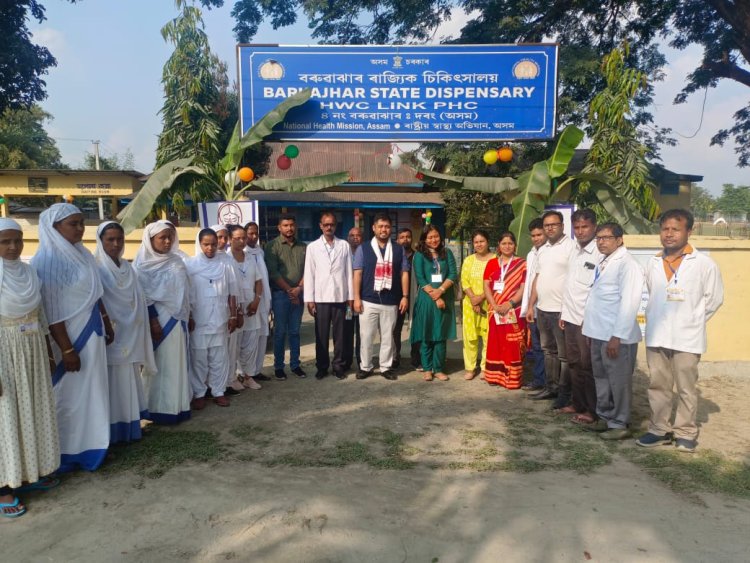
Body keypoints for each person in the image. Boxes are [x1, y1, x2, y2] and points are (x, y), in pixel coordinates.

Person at [32, 203, 113, 473]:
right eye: (73, 224)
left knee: (93, 391)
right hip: (71, 340)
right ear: (54, 228)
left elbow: (95, 292)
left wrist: (105, 321)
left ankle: (94, 444)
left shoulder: (83, 253)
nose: (80, 228)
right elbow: (52, 312)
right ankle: (66, 452)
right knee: (70, 396)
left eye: (81, 222)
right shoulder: (47, 260)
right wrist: (67, 350)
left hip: (92, 332)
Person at [636, 209, 724, 453]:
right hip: (657, 334)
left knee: (686, 387)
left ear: (689, 231)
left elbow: (714, 299)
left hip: (688, 337)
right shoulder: (652, 262)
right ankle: (658, 429)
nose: (669, 234)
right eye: (665, 229)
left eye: (676, 229)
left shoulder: (704, 264)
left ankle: (685, 432)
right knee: (658, 385)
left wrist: (693, 319)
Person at [0, 219, 60, 518]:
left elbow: (41, 315)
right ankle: (3, 488)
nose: (13, 247)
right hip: (4, 355)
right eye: (5, 241)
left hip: (33, 350)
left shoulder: (29, 273)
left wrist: (49, 352)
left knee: (32, 410)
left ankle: (27, 473)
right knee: (7, 417)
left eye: (17, 240)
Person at [582, 223, 644, 440]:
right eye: (598, 238)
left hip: (616, 337)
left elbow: (629, 303)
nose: (601, 241)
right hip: (598, 333)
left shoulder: (628, 264)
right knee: (602, 378)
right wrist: (590, 332)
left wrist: (616, 337)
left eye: (606, 238)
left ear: (619, 240)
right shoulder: (604, 261)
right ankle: (606, 417)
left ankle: (620, 423)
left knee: (618, 381)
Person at [95, 221, 154, 444]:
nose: (116, 244)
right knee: (113, 382)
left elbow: (137, 299)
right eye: (110, 239)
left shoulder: (127, 267)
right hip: (110, 334)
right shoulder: (96, 267)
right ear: (101, 241)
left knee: (129, 379)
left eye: (120, 239)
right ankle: (114, 431)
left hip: (130, 331)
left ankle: (131, 424)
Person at [133, 221, 192, 425]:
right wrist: (153, 320)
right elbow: (142, 295)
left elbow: (185, 291)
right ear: (150, 240)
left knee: (176, 363)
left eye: (170, 237)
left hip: (178, 319)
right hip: (158, 320)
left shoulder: (177, 261)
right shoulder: (141, 265)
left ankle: (177, 407)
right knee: (158, 363)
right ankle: (155, 407)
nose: (167, 241)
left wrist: (189, 314)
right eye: (162, 237)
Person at [353, 213, 410, 380]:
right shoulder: (363, 248)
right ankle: (366, 366)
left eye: (386, 227)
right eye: (380, 226)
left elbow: (404, 274)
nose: (384, 230)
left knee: (388, 337)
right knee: (366, 336)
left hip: (391, 300)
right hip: (368, 299)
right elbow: (357, 274)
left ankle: (386, 367)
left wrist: (405, 296)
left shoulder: (398, 249)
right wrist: (356, 298)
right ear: (374, 228)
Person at [526, 210, 575, 402]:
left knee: (564, 356)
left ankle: (564, 393)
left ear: (562, 226)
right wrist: (531, 305)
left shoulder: (571, 247)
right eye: (547, 225)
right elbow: (538, 278)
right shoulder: (543, 249)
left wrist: (567, 309)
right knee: (548, 351)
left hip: (561, 311)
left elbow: (573, 280)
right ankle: (551, 387)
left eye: (554, 224)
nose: (550, 228)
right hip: (543, 309)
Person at [186, 229, 239, 408]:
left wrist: (233, 314)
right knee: (199, 358)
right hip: (199, 320)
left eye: (213, 244)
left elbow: (232, 292)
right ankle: (199, 393)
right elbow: (186, 294)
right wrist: (190, 316)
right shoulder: (190, 265)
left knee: (219, 357)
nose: (210, 248)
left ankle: (218, 391)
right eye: (206, 244)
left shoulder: (225, 264)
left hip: (220, 318)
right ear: (199, 244)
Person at [558, 209, 601, 418]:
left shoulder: (600, 253)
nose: (581, 231)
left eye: (585, 227)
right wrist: (564, 314)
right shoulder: (574, 250)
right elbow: (570, 286)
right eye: (577, 227)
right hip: (570, 319)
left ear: (594, 227)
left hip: (587, 322)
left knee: (588, 366)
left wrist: (589, 320)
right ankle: (577, 403)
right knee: (573, 363)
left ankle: (592, 410)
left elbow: (597, 291)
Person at [303, 212, 353, 379]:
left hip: (340, 297)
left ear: (335, 226)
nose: (329, 227)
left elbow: (349, 273)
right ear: (320, 226)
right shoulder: (312, 247)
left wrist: (350, 297)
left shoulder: (344, 245)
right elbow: (309, 274)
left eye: (331, 224)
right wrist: (309, 299)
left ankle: (338, 365)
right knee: (321, 335)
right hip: (321, 298)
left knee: (340, 335)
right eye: (326, 225)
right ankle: (322, 366)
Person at [410, 226, 457, 381]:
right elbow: (421, 277)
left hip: (445, 297)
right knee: (427, 334)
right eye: (430, 237)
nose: (433, 240)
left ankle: (438, 368)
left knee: (440, 335)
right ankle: (427, 368)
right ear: (424, 239)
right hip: (427, 299)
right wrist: (436, 296)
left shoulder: (447, 253)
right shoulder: (419, 255)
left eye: (436, 236)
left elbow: (452, 274)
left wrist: (441, 290)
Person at [265, 214, 307, 380]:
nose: (289, 228)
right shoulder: (272, 246)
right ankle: (279, 367)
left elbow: (308, 271)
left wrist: (299, 289)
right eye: (285, 225)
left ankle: (295, 365)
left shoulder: (303, 246)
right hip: (280, 296)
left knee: (295, 332)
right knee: (280, 332)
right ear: (279, 227)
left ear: (295, 226)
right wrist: (291, 291)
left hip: (299, 294)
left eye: (291, 225)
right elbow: (273, 273)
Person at [482, 232, 527, 389]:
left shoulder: (522, 264)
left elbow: (523, 287)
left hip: (513, 310)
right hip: (495, 311)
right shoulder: (492, 264)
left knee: (512, 344)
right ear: (499, 246)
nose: (507, 246)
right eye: (504, 243)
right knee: (496, 343)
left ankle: (512, 378)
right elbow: (486, 286)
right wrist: (494, 305)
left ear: (515, 245)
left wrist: (510, 303)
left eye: (510, 243)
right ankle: (495, 376)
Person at [227, 224, 263, 391]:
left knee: (250, 343)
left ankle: (248, 376)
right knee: (234, 345)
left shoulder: (250, 257)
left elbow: (258, 281)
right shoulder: (226, 260)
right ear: (229, 239)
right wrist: (236, 311)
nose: (242, 241)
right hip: (235, 309)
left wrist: (257, 300)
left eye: (244, 238)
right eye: (238, 238)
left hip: (252, 306)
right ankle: (233, 377)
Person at [460, 229, 492, 380]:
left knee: (488, 337)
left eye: (482, 241)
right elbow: (464, 281)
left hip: (489, 303)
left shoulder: (495, 260)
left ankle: (485, 368)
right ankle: (470, 368)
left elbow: (496, 283)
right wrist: (473, 298)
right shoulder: (468, 260)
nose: (479, 244)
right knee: (470, 337)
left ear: (488, 242)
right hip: (469, 305)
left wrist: (481, 298)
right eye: (476, 242)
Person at [520, 218, 547, 391]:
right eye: (533, 235)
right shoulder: (531, 254)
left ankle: (550, 382)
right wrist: (529, 306)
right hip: (532, 308)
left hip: (546, 307)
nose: (536, 238)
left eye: (539, 234)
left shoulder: (550, 252)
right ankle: (539, 380)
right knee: (537, 346)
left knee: (548, 348)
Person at [245, 222, 272, 381]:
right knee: (250, 338)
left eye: (256, 233)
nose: (254, 237)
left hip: (264, 300)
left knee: (262, 335)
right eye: (250, 234)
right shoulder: (241, 253)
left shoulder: (260, 252)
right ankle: (245, 372)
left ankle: (256, 370)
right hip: (251, 301)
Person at [392, 227, 420, 371]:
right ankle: (395, 357)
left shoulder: (417, 256)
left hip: (414, 297)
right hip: (398, 298)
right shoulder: (393, 256)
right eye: (402, 237)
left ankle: (416, 359)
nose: (405, 239)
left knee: (415, 328)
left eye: (408, 237)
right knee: (395, 329)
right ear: (397, 240)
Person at [343, 226, 363, 371]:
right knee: (347, 330)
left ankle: (362, 360)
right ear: (347, 238)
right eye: (352, 235)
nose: (355, 237)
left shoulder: (366, 252)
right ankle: (347, 361)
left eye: (358, 235)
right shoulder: (343, 253)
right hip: (348, 303)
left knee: (362, 332)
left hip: (363, 300)